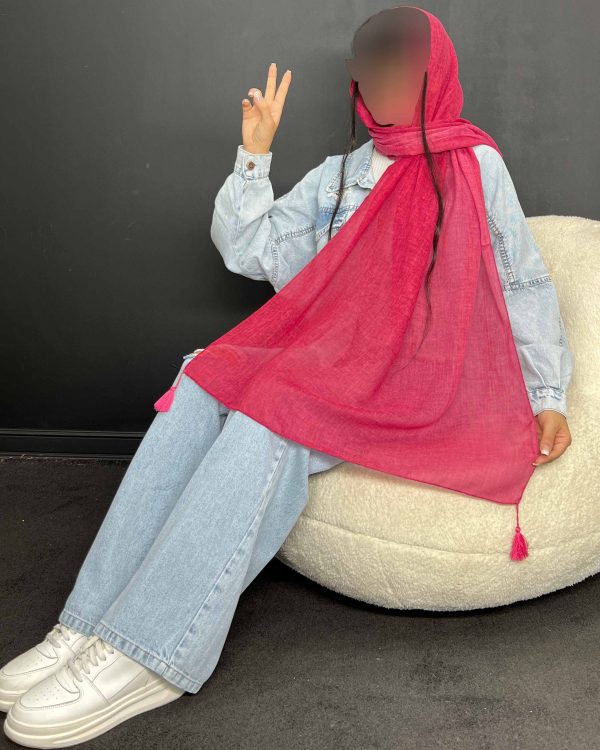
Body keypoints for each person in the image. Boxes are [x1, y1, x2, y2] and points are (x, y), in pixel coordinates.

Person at [1, 6, 573, 747]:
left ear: (435, 73)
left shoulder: (474, 164)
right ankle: (88, 624)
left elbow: (520, 280)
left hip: (416, 377)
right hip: (336, 358)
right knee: (204, 375)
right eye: (374, 67)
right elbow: (251, 250)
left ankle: (147, 650)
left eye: (403, 67)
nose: (386, 82)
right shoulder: (342, 176)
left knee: (273, 411)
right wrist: (254, 156)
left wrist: (547, 393)